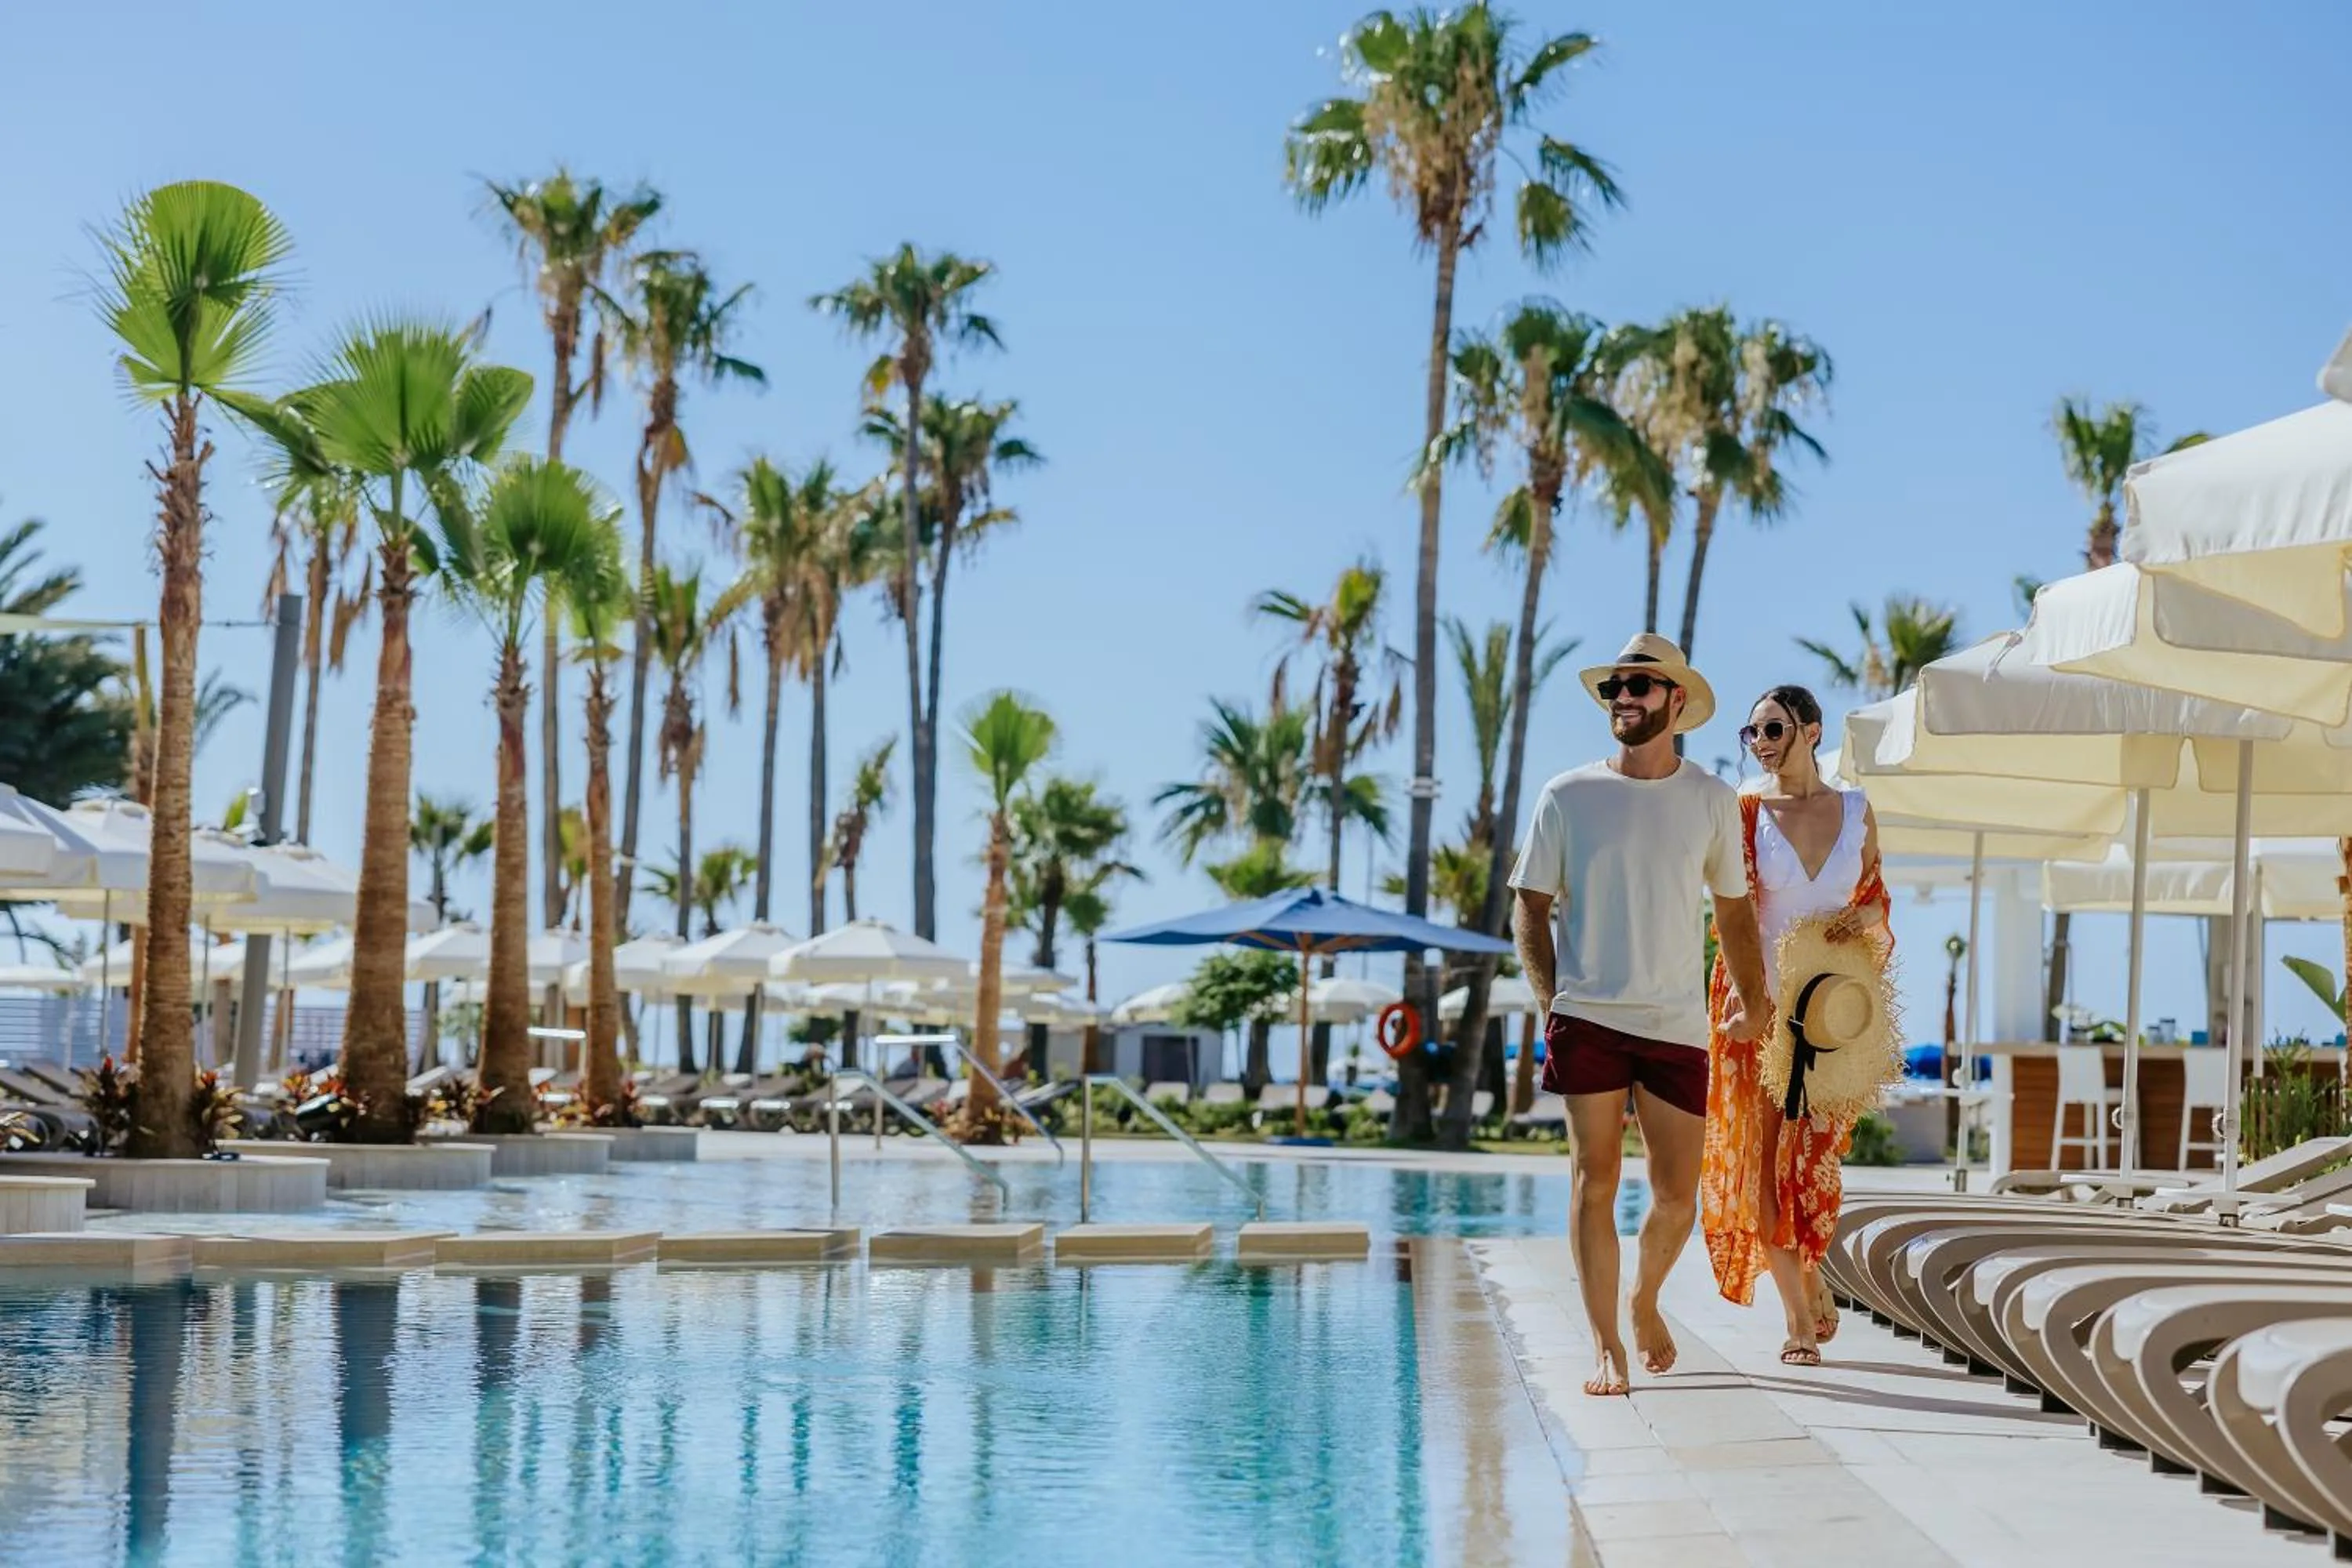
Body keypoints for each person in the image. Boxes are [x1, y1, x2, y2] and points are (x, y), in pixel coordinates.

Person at [1509, 633, 1770, 1398]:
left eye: (1641, 685)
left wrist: (1756, 1001)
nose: (1624, 696)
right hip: (1587, 1013)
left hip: (1676, 1023)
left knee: (1676, 1194)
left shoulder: (1714, 800)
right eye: (1615, 686)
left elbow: (1735, 912)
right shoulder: (1566, 795)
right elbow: (1529, 905)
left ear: (1676, 699)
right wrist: (1550, 999)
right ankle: (1605, 1347)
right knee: (1594, 1180)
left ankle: (1645, 1297)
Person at [1699, 684, 1890, 1367]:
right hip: (1763, 1012)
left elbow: (1877, 905)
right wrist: (1747, 1006)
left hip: (1833, 1017)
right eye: (1751, 734)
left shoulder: (1858, 811)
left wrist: (1856, 920)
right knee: (1764, 1169)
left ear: (1810, 731)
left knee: (1812, 1167)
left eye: (1773, 728)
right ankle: (1797, 1323)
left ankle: (1811, 1276)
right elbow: (1733, 914)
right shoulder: (1747, 812)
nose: (1761, 743)